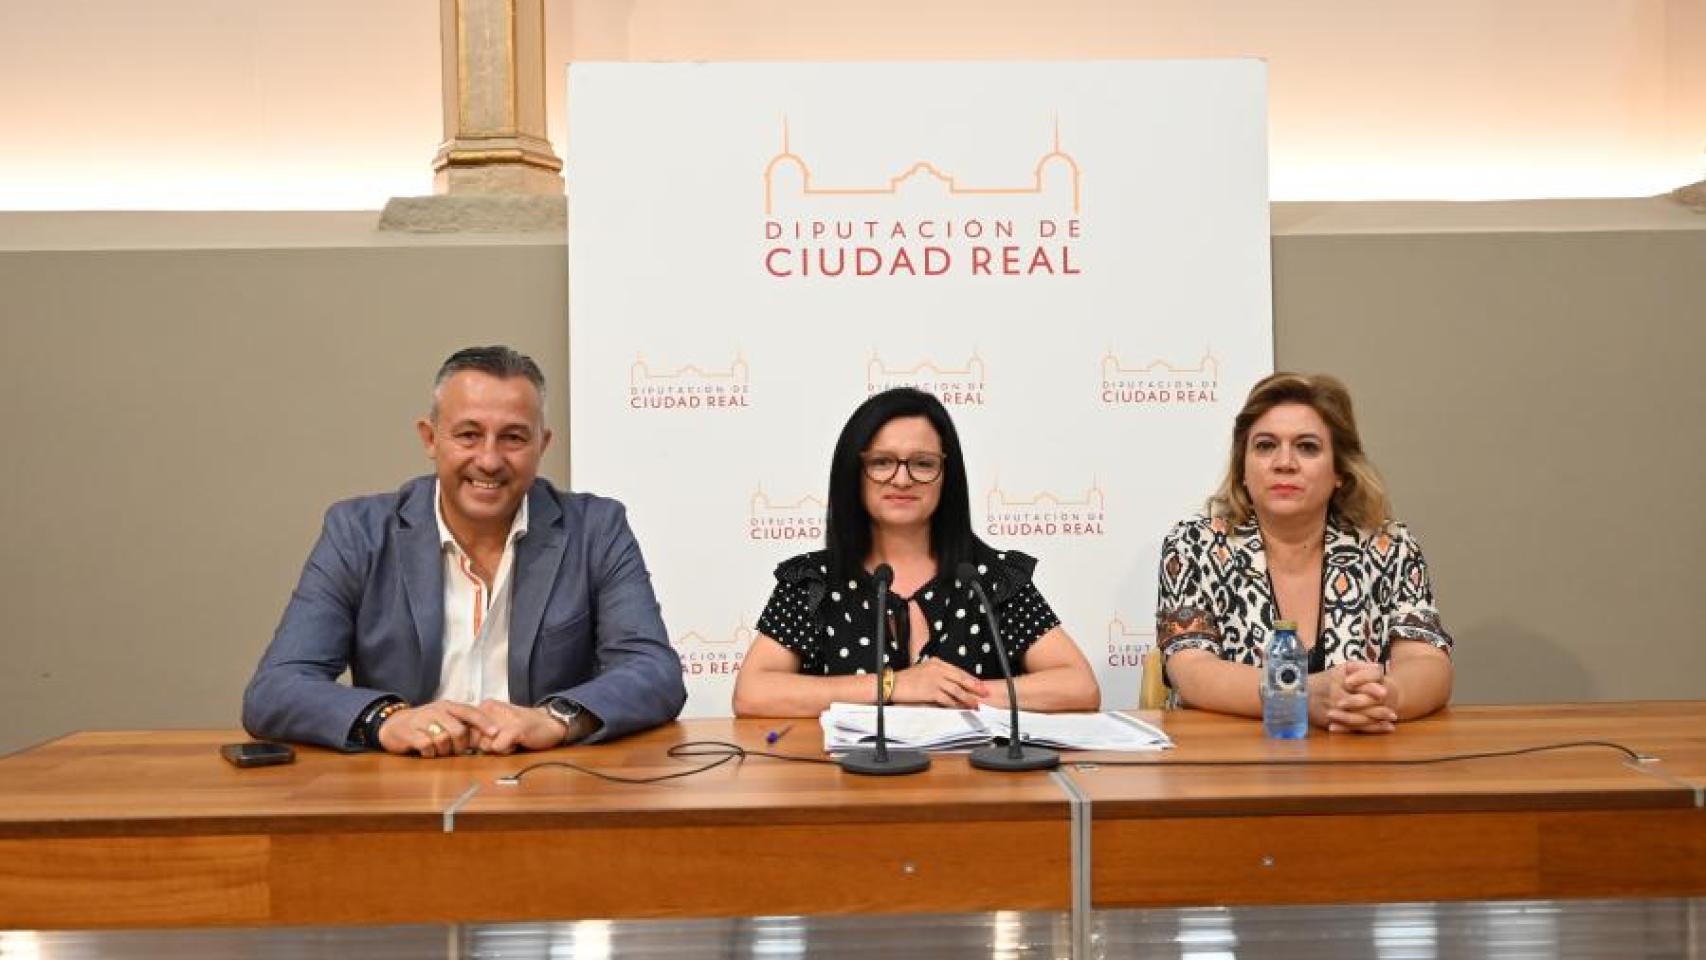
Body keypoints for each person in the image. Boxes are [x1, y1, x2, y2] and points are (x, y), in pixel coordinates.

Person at [243, 345, 685, 756]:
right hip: (405, 791)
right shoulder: (359, 532)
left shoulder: (596, 530)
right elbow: (276, 688)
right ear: (430, 438)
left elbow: (654, 672)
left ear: (542, 446)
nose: (489, 460)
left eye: (513, 438)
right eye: (468, 435)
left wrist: (555, 719)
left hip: (543, 786)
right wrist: (385, 720)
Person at [733, 388, 1100, 717]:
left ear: (946, 475)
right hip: (845, 785)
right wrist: (895, 686)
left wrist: (952, 693)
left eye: (923, 463)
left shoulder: (988, 577)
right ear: (853, 473)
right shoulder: (814, 582)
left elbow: (1079, 686)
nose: (903, 479)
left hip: (972, 783)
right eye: (882, 462)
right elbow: (752, 693)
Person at [1155, 373, 1453, 733]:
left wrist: (1386, 696)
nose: (1285, 462)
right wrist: (1300, 695)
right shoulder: (1195, 545)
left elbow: (1427, 661)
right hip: (1232, 766)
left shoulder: (1388, 545)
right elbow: (1190, 670)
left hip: (1359, 761)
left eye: (1307, 447)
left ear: (1340, 469)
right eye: (1265, 446)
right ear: (1243, 468)